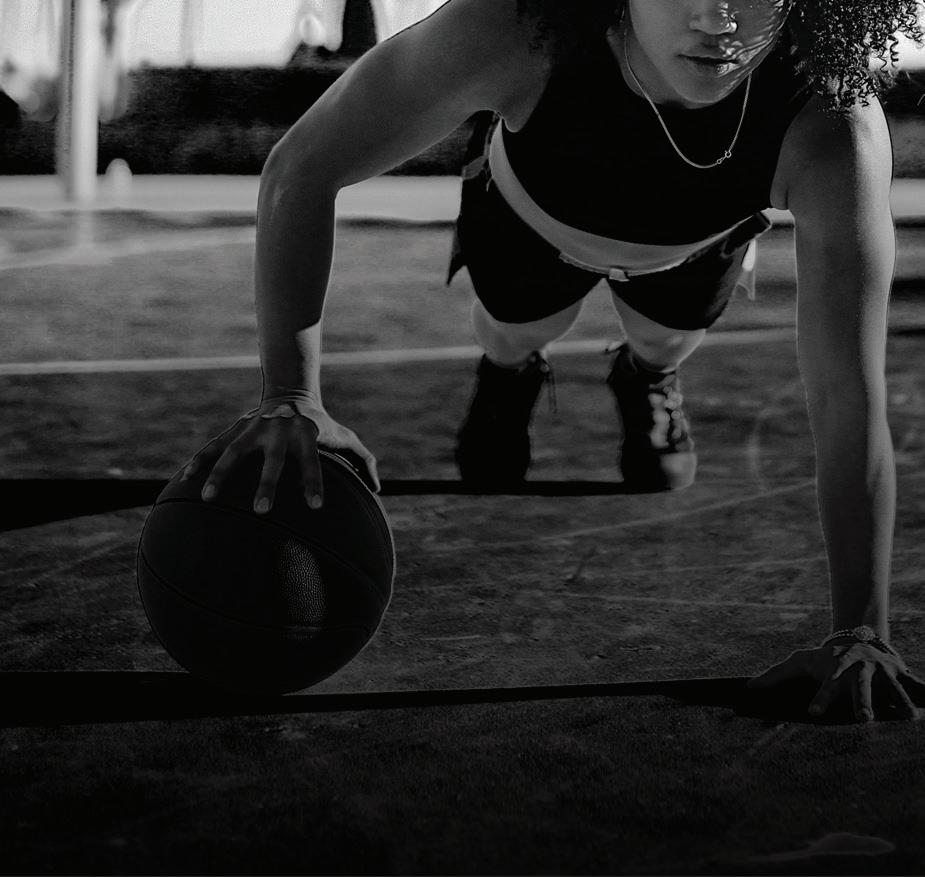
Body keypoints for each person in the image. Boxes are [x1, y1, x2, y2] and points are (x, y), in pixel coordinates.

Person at [182, 0, 925, 722]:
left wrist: (860, 629)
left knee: (664, 340)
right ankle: (511, 369)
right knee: (514, 329)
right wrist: (291, 393)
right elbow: (302, 166)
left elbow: (846, 393)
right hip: (529, 220)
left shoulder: (829, 118)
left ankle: (646, 374)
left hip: (691, 248)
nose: (714, 19)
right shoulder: (513, 29)